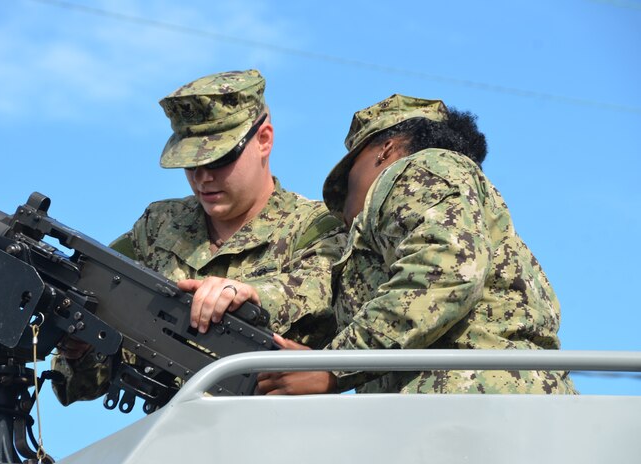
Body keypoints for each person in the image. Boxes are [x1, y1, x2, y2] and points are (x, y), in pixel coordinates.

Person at [52, 69, 346, 405]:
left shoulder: (317, 226)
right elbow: (85, 379)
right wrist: (80, 349)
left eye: (219, 158)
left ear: (263, 139)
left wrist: (248, 295)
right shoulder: (157, 226)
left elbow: (317, 289)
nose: (203, 177)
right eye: (190, 164)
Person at [257, 94, 578, 395]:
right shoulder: (445, 192)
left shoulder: (419, 168)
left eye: (349, 171)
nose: (343, 202)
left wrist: (333, 368)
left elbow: (443, 275)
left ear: (385, 149)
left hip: (467, 405)